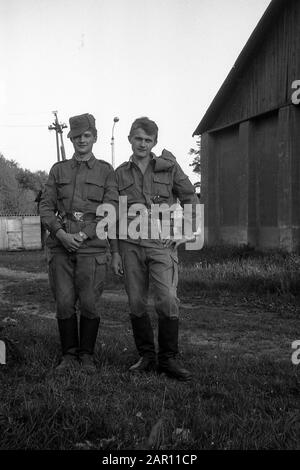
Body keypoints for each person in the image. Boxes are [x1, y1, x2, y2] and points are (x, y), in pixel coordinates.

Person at [112, 117, 200, 382]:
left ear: (154, 143)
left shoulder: (168, 167)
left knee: (167, 299)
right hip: (129, 245)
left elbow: (190, 197)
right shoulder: (119, 174)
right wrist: (115, 251)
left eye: (148, 140)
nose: (142, 144)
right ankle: (147, 356)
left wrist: (186, 231)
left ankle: (168, 359)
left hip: (161, 244)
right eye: (138, 138)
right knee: (136, 301)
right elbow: (113, 216)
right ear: (130, 139)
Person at [39, 113, 119, 373]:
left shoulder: (106, 171)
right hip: (60, 246)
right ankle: (69, 355)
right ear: (71, 138)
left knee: (89, 302)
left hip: (92, 247)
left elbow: (110, 209)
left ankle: (87, 355)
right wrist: (61, 234)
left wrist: (83, 235)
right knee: (63, 301)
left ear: (94, 137)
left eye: (87, 135)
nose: (82, 140)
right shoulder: (58, 169)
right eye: (77, 136)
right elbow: (46, 206)